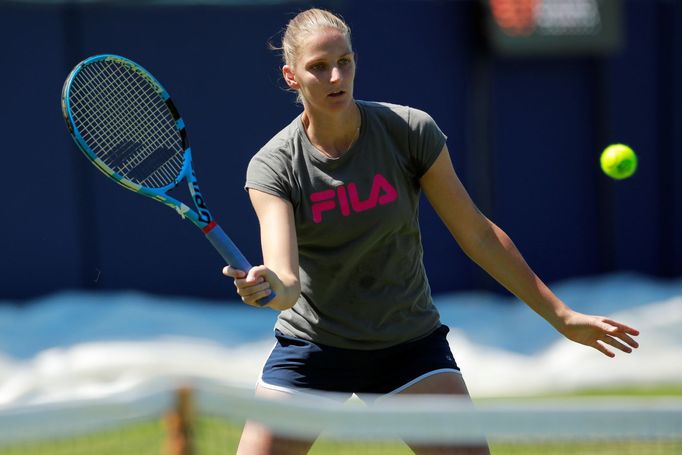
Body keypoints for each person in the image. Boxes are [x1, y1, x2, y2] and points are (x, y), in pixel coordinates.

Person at [223, 8, 640, 455]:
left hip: (407, 345)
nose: (335, 76)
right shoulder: (273, 166)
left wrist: (561, 315)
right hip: (315, 349)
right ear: (292, 76)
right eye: (318, 67)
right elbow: (286, 284)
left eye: (344, 61)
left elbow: (477, 235)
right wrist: (267, 289)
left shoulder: (408, 131)